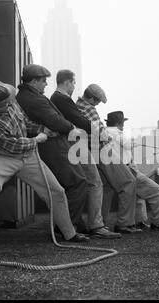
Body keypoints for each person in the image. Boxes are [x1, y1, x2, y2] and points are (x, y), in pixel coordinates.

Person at [0, 81, 88, 250]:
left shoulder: (11, 101)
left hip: (29, 157)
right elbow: (12, 145)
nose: (11, 103)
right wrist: (37, 139)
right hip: (4, 157)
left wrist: (42, 129)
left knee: (56, 191)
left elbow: (25, 123)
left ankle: (69, 233)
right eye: (7, 102)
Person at [16, 65, 120, 239]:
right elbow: (61, 120)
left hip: (58, 143)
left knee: (73, 183)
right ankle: (73, 226)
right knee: (82, 182)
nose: (45, 84)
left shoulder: (36, 97)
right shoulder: (49, 98)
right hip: (59, 145)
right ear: (33, 81)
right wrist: (74, 128)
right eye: (43, 81)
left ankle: (73, 224)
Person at [76, 84, 141, 234]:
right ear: (91, 98)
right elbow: (99, 132)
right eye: (97, 100)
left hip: (88, 151)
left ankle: (99, 223)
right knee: (128, 182)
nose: (98, 103)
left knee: (106, 187)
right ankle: (124, 223)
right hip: (101, 150)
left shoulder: (77, 106)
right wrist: (108, 136)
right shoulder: (89, 108)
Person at [104, 111, 159, 230]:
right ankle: (158, 222)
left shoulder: (105, 132)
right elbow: (127, 144)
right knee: (157, 191)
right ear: (118, 123)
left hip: (114, 168)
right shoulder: (116, 132)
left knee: (135, 194)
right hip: (126, 169)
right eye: (122, 122)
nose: (123, 125)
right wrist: (136, 142)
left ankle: (138, 220)